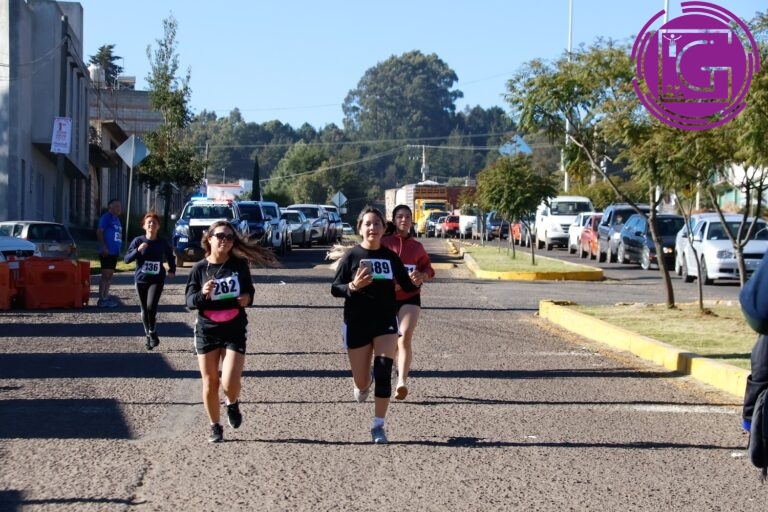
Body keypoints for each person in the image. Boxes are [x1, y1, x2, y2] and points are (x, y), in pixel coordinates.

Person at [331, 207, 420, 444]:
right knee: (362, 382)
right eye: (368, 224)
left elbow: (408, 287)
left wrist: (417, 280)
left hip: (385, 323)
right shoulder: (351, 256)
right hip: (357, 323)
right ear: (360, 228)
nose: (372, 228)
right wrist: (353, 287)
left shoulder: (391, 258)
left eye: (377, 224)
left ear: (383, 228)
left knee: (383, 373)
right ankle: (364, 382)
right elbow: (334, 289)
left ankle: (378, 425)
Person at [185, 220, 276, 443]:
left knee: (229, 382)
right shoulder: (199, 269)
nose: (225, 240)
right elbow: (189, 301)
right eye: (220, 236)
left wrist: (247, 298)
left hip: (234, 328)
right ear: (209, 238)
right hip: (207, 330)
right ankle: (215, 426)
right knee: (210, 383)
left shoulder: (239, 265)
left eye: (229, 237)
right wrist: (202, 294)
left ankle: (232, 403)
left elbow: (249, 293)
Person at [381, 204, 434, 401]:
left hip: (411, 297)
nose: (404, 220)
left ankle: (402, 382)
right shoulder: (384, 243)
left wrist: (422, 275)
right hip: (386, 299)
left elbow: (429, 269)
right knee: (389, 341)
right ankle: (391, 368)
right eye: (400, 216)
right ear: (394, 220)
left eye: (408, 217)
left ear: (412, 221)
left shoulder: (417, 247)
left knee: (404, 337)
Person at [123, 211, 176, 351]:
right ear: (144, 226)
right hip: (141, 279)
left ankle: (152, 331)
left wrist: (172, 269)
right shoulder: (138, 241)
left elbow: (170, 257)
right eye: (149, 222)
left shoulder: (162, 242)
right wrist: (137, 251)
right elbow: (127, 259)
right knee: (144, 310)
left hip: (157, 279)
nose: (152, 224)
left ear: (158, 226)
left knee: (151, 307)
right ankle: (149, 335)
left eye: (154, 222)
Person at [96, 198, 123, 307]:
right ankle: (101, 299)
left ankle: (106, 297)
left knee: (110, 275)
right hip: (107, 251)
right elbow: (99, 231)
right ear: (110, 207)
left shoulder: (117, 220)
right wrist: (103, 246)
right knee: (105, 274)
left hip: (114, 252)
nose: (118, 208)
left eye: (119, 206)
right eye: (116, 206)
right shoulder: (106, 218)